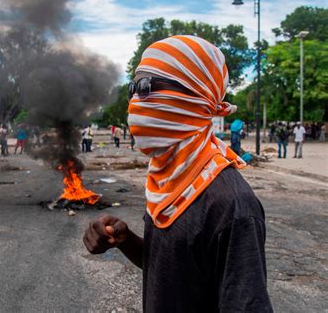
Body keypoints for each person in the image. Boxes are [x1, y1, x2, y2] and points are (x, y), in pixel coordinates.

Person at [83, 35, 272, 312]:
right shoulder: (169, 178)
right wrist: (125, 241)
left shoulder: (231, 206)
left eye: (146, 87)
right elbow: (174, 267)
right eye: (132, 88)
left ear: (195, 96)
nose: (135, 101)